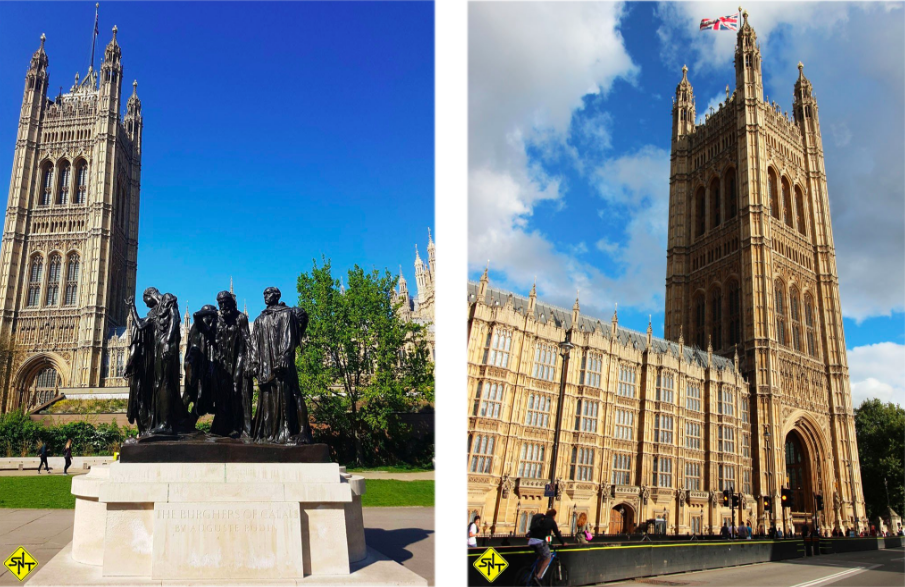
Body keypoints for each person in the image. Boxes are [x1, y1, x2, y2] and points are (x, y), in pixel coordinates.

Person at [250, 287, 312, 444]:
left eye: (269, 293)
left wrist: (285, 354)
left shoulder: (287, 314)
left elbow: (289, 336)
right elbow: (254, 344)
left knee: (293, 393)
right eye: (264, 293)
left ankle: (301, 431)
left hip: (282, 363)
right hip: (266, 366)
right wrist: (254, 363)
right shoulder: (259, 320)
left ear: (277, 296)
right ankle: (269, 433)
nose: (266, 296)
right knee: (267, 397)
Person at [528, 509, 565, 584]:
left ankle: (535, 573)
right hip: (540, 541)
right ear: (554, 515)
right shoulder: (551, 522)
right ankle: (538, 576)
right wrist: (563, 542)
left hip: (531, 541)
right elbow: (557, 534)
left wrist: (549, 543)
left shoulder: (542, 519)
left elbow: (547, 534)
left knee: (540, 556)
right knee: (548, 557)